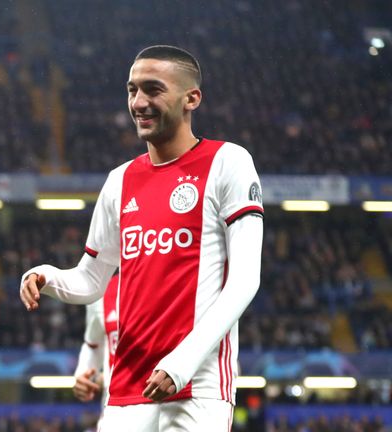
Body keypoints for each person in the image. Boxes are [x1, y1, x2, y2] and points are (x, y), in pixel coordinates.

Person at [20, 45, 264, 431]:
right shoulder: (120, 180)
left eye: (153, 89)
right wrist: (46, 276)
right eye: (132, 90)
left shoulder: (228, 163)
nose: (139, 102)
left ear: (192, 98)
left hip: (196, 385)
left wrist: (182, 363)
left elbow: (245, 279)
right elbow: (91, 279)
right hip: (127, 387)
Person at [72, 274, 118, 408]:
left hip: (163, 399)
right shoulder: (101, 293)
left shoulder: (171, 281)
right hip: (114, 403)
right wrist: (83, 374)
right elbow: (93, 344)